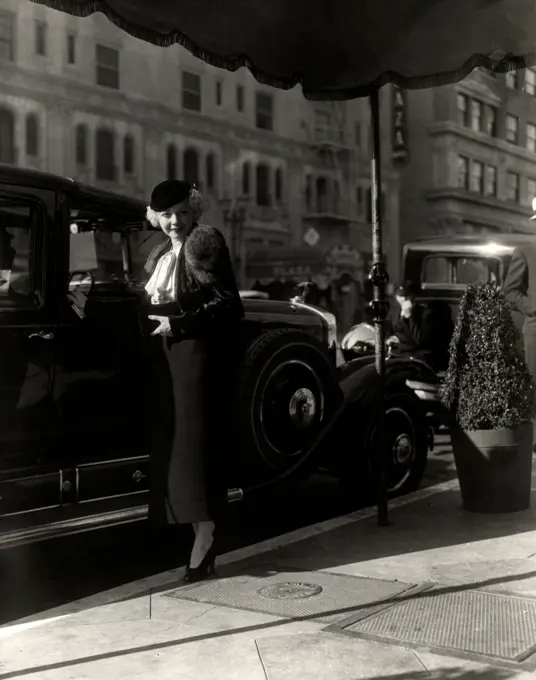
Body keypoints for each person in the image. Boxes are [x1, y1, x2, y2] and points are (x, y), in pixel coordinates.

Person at [143, 179, 244, 583]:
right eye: (166, 214)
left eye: (183, 212)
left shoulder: (204, 241)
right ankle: (198, 529)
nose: (174, 221)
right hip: (168, 357)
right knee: (178, 450)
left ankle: (207, 534)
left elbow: (227, 303)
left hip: (197, 356)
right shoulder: (161, 252)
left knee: (195, 451)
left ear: (195, 210)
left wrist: (178, 323)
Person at [389, 281, 453, 371]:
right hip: (400, 354)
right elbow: (391, 332)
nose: (404, 299)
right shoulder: (394, 314)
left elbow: (419, 340)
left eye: (407, 296)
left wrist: (409, 316)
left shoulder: (425, 314)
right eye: (400, 296)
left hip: (418, 357)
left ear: (412, 297)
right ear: (396, 297)